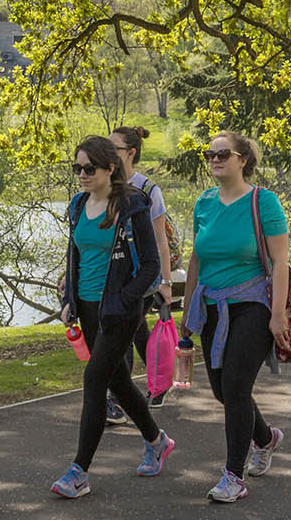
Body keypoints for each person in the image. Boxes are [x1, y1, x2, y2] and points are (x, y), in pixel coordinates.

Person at [50, 136, 174, 499]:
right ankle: (156, 440)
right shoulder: (77, 205)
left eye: (89, 168)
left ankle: (79, 473)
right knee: (117, 381)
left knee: (94, 381)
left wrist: (125, 299)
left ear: (109, 168)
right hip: (87, 308)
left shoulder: (132, 205)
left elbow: (150, 264)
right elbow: (75, 254)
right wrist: (69, 297)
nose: (82, 175)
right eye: (77, 168)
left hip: (119, 311)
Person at [181, 131, 289, 503]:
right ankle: (265, 437)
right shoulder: (205, 203)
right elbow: (196, 259)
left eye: (223, 153)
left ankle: (233, 476)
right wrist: (187, 312)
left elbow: (279, 264)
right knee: (221, 389)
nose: (214, 159)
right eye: (209, 154)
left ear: (243, 159)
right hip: (211, 305)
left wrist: (276, 315)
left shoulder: (264, 202)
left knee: (237, 385)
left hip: (253, 305)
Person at [110, 126, 179, 409]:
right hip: (114, 276)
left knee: (121, 335)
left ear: (130, 153)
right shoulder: (105, 185)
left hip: (144, 276)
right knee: (136, 332)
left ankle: (116, 401)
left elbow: (161, 241)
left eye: (113, 149)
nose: (107, 154)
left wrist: (165, 282)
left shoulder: (149, 190)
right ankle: (159, 382)